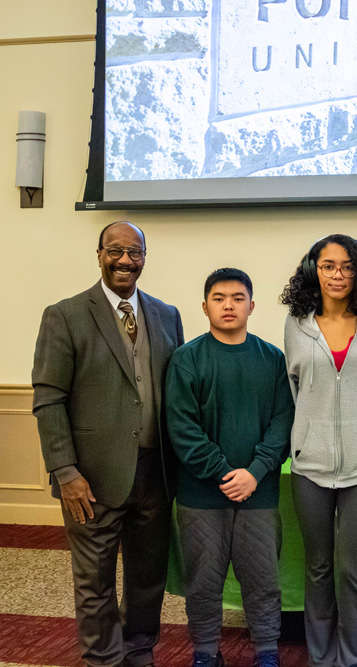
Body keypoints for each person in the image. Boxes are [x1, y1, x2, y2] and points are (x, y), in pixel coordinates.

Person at [32, 221, 184, 667]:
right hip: (90, 479)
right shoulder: (65, 315)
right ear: (98, 254)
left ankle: (139, 653)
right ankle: (102, 659)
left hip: (155, 473)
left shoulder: (167, 314)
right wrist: (65, 472)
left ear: (144, 257)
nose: (125, 260)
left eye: (134, 252)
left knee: (147, 576)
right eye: (115, 251)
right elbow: (48, 399)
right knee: (94, 578)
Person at [166, 268, 295, 667]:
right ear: (205, 306)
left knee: (262, 582)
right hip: (200, 496)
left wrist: (255, 471)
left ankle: (267, 653)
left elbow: (283, 423)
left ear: (251, 306)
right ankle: (206, 653)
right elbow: (181, 427)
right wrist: (225, 472)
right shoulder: (186, 359)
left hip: (258, 494)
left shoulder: (272, 358)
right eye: (219, 298)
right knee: (203, 583)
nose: (228, 305)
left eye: (238, 298)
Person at [282, 234, 357, 667]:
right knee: (319, 568)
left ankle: (355, 659)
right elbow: (294, 388)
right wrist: (307, 437)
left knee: (352, 569)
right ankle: (321, 658)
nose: (337, 275)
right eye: (328, 266)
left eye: (346, 266)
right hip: (310, 466)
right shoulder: (296, 322)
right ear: (314, 270)